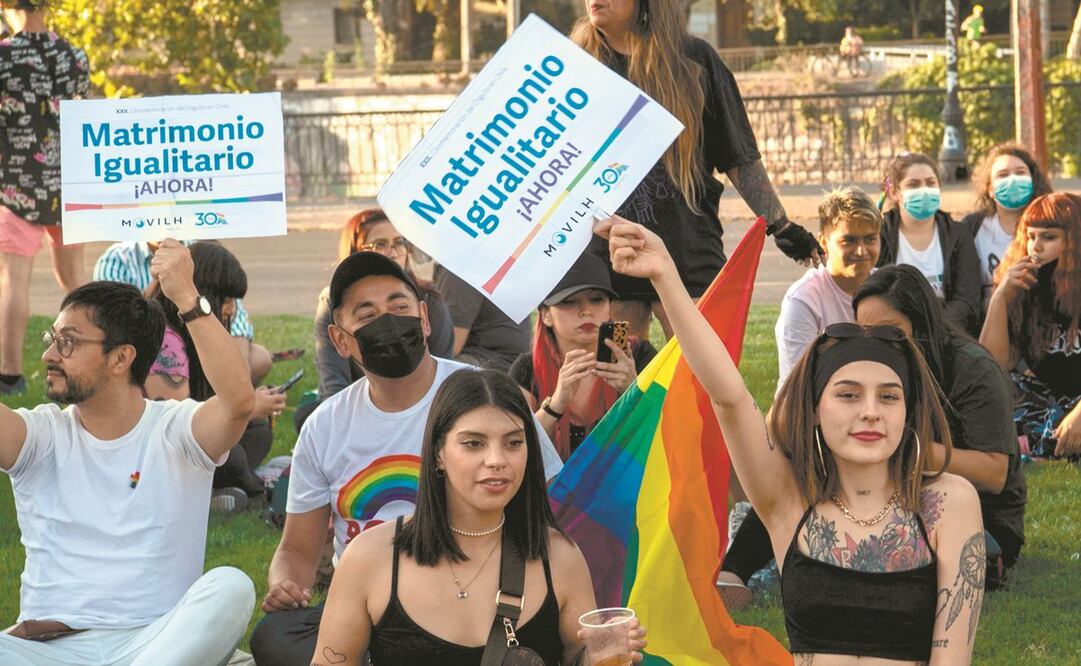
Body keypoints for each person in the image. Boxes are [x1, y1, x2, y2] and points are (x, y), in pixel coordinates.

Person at [599, 214, 985, 663]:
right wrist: (665, 274)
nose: (870, 411)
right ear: (816, 411)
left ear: (908, 411)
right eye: (848, 394)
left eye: (889, 396)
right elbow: (728, 398)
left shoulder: (947, 501)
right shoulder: (787, 496)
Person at [250, 251, 564, 666]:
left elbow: (547, 509)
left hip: (476, 596)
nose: (388, 322)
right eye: (367, 314)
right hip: (368, 606)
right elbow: (296, 551)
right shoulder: (324, 427)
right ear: (341, 340)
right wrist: (286, 585)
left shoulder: (483, 394)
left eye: (399, 307)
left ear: (424, 317)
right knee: (276, 636)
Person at [0, 242, 256, 665]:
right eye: (52, 339)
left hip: (158, 645)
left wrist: (187, 298)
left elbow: (238, 403)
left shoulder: (175, 430)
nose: (48, 355)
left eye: (67, 342)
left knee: (232, 586)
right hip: (48, 651)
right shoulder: (41, 434)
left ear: (121, 358)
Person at [312, 369, 648, 665]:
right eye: (474, 444)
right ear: (438, 454)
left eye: (513, 443)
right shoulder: (371, 558)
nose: (496, 460)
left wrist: (606, 653)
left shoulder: (559, 556)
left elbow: (580, 657)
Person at [574, 0, 823, 340]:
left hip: (688, 254)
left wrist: (781, 225)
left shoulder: (696, 61)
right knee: (620, 372)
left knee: (701, 377)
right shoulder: (574, 67)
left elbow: (738, 156)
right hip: (610, 264)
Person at [854, 265, 1026, 586]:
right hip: (897, 501)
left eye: (890, 331)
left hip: (981, 519)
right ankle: (736, 573)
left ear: (921, 325)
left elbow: (994, 473)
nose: (875, 343)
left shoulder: (974, 370)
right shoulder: (867, 367)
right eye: (865, 332)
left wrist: (904, 449)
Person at [144, 241, 285, 502]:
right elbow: (176, 429)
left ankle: (219, 491)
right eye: (228, 299)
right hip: (162, 457)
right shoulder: (166, 341)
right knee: (233, 456)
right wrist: (249, 406)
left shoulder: (192, 330)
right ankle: (248, 490)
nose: (231, 309)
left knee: (257, 432)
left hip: (192, 443)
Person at [0, 0, 90, 396]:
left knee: (13, 282)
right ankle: (86, 366)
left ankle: (10, 375)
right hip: (68, 182)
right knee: (74, 281)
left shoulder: (3, 55)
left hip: (15, 183)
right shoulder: (74, 55)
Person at [304, 207, 454, 429]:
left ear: (424, 317)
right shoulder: (331, 305)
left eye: (399, 242)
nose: (393, 253)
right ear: (339, 338)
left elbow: (443, 373)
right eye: (379, 244)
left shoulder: (430, 299)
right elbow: (332, 382)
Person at [509, 252, 657, 460]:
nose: (586, 311)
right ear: (546, 315)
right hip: (552, 488)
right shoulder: (528, 368)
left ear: (608, 308)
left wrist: (632, 391)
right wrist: (556, 404)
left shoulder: (639, 355)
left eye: (597, 300)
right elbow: (512, 447)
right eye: (569, 302)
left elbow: (667, 431)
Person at [981, 192, 1081, 459]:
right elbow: (993, 367)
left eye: (1049, 237)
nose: (1035, 247)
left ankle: (1040, 444)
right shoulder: (1025, 287)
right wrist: (1000, 298)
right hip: (1049, 400)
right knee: (994, 395)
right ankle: (1050, 443)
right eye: (1031, 236)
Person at [93, 239, 271, 385]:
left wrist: (241, 380)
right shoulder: (117, 259)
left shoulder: (204, 253)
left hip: (196, 352)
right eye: (226, 301)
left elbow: (237, 330)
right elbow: (115, 329)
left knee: (259, 357)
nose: (231, 309)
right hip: (148, 353)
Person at [775, 186, 882, 387]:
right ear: (823, 242)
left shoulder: (888, 290)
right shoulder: (803, 300)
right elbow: (797, 387)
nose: (861, 251)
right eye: (848, 240)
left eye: (870, 239)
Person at [877, 152, 982, 335]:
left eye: (930, 182)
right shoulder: (880, 235)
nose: (924, 190)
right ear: (894, 192)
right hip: (896, 336)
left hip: (949, 335)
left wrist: (934, 327)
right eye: (913, 184)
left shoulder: (958, 235)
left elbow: (967, 299)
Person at [960, 143, 1053, 319]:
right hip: (986, 325)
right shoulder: (972, 227)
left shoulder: (1051, 224)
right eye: (1003, 175)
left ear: (1033, 181)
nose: (1013, 180)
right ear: (990, 189)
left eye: (1020, 173)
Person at [435, 263, 531, 373]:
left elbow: (449, 346)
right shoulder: (486, 262)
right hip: (508, 363)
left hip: (492, 363)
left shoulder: (461, 269)